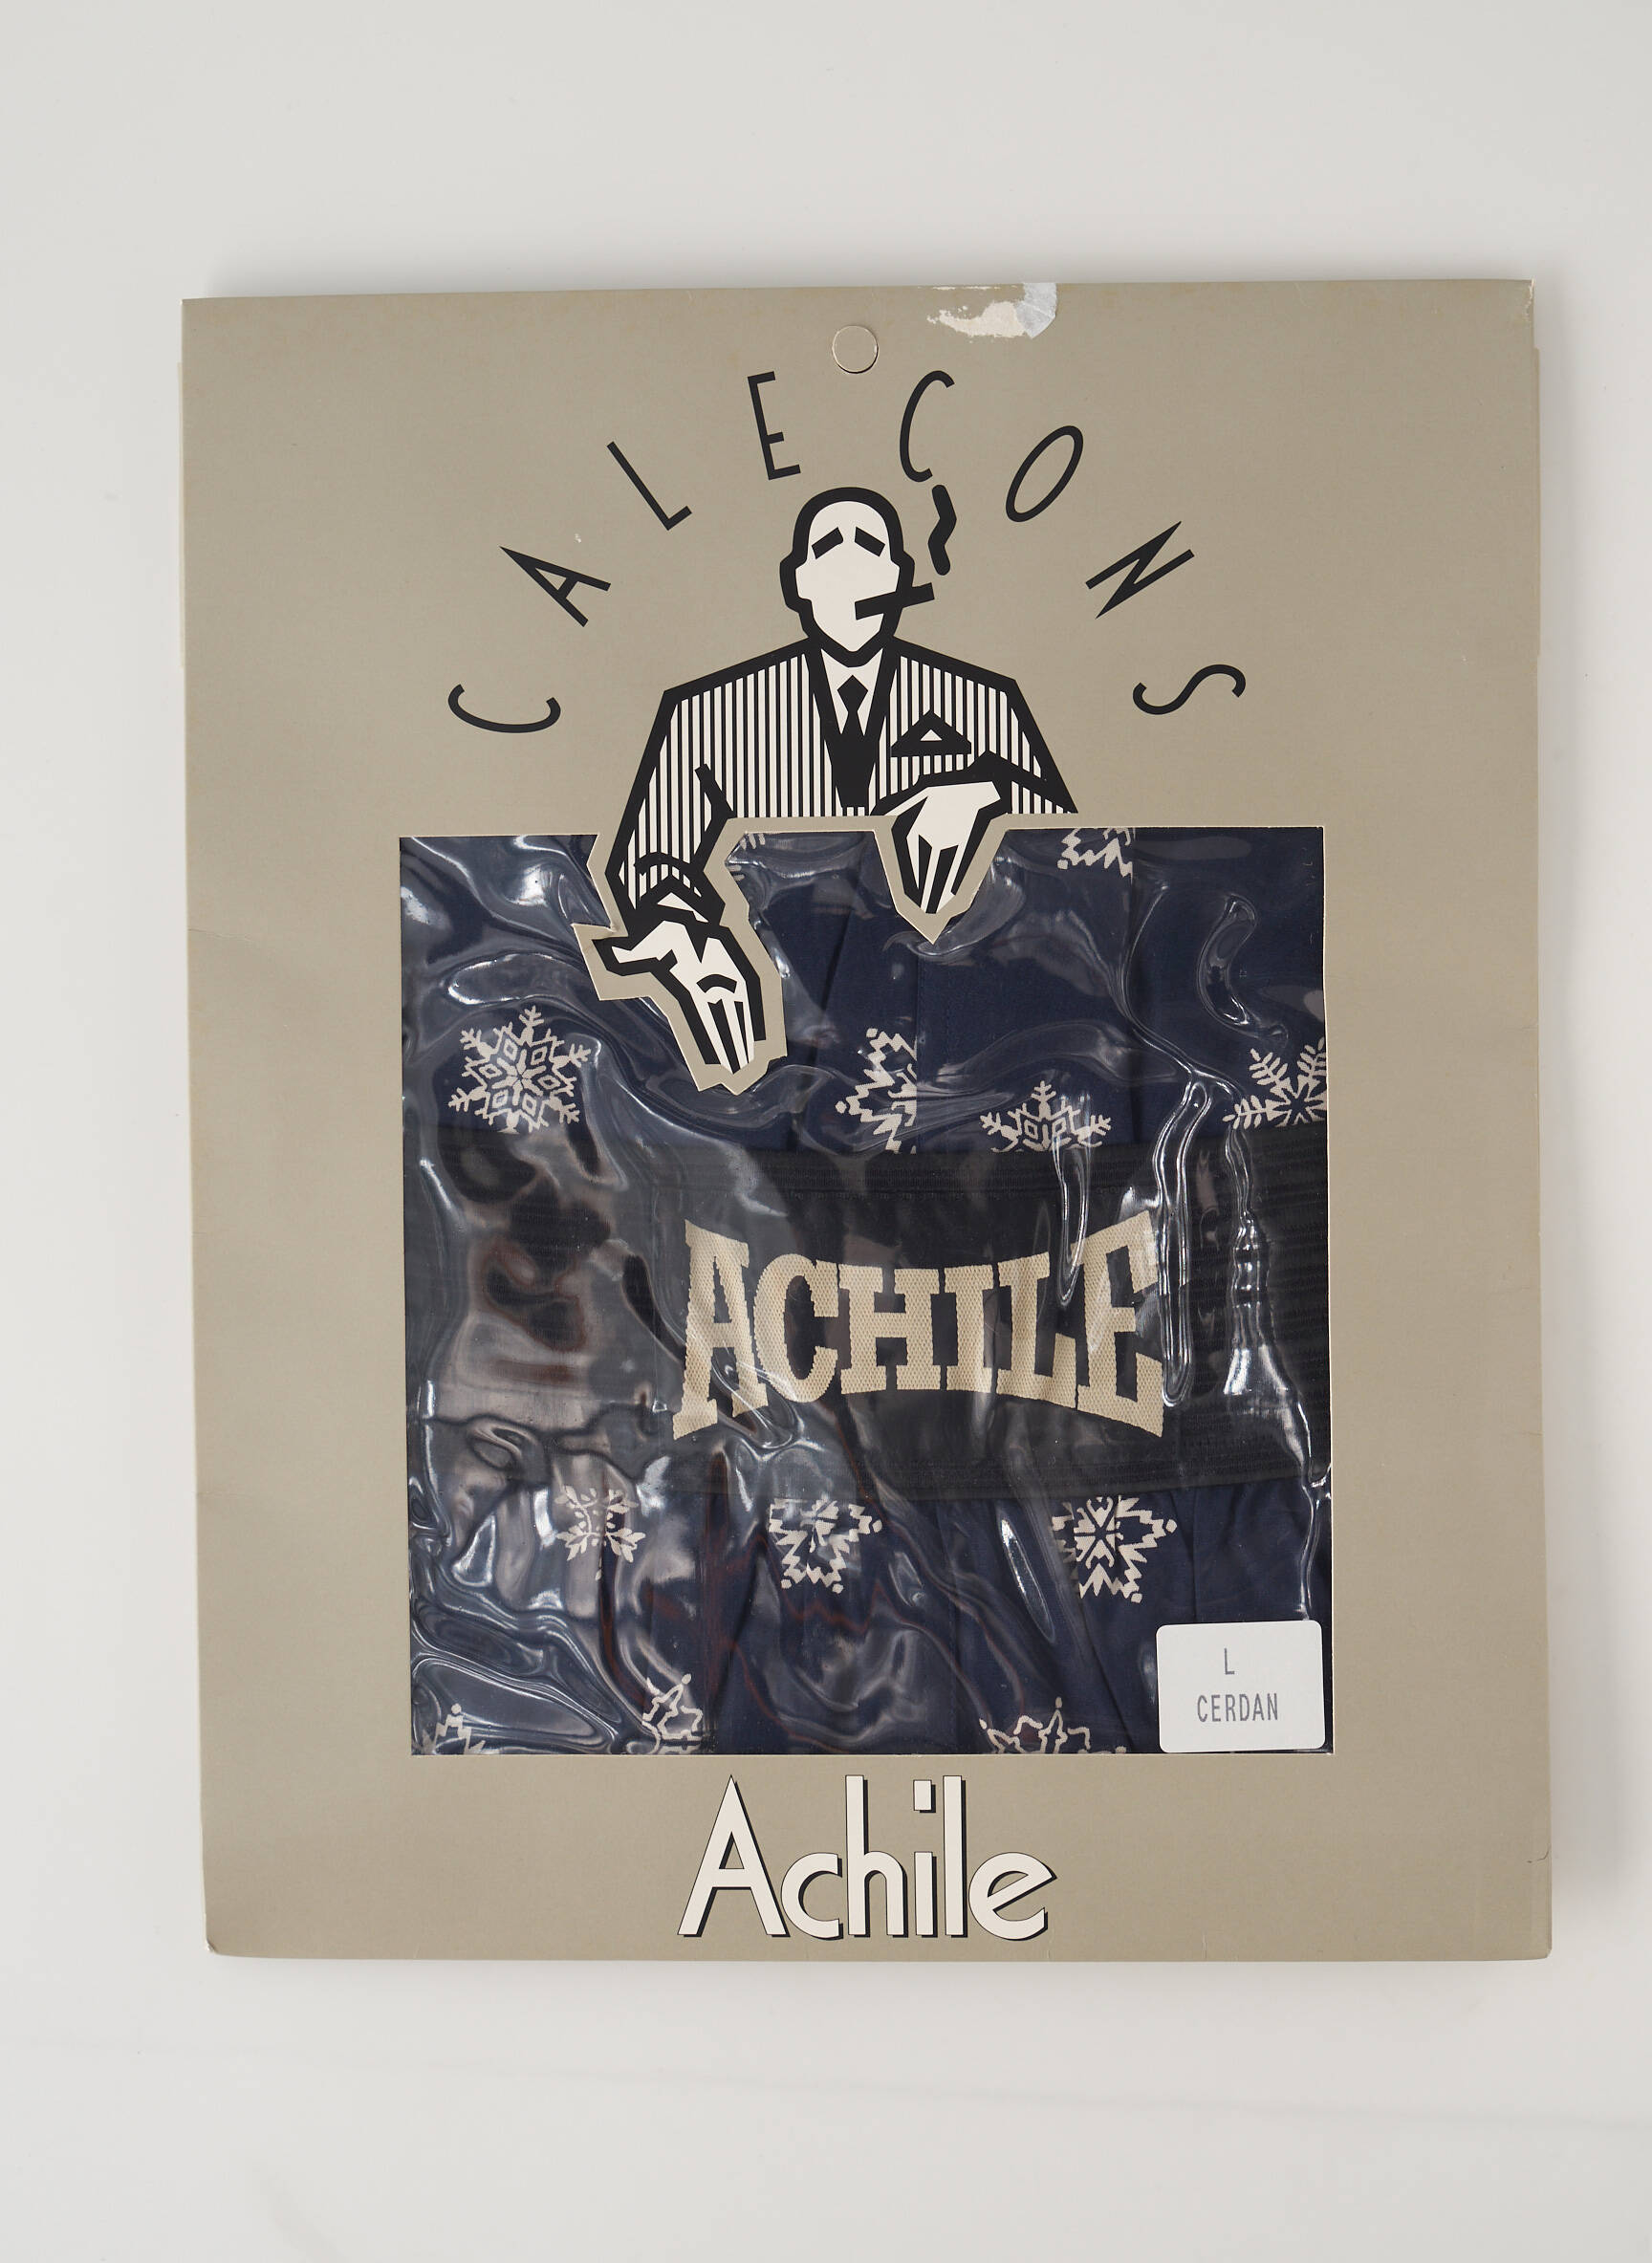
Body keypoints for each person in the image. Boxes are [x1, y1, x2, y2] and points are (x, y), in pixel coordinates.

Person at [579, 487, 1075, 1085]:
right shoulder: (710, 714)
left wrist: (987, 800)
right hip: (767, 1056)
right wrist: (692, 944)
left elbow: (1071, 850)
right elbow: (650, 856)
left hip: (982, 1033)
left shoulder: (982, 704)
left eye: (869, 545)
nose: (848, 563)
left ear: (900, 576)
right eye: (828, 546)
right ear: (796, 583)